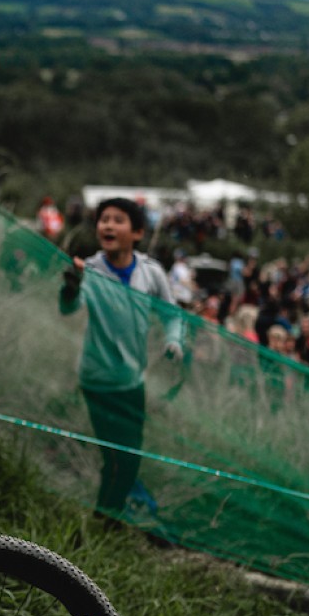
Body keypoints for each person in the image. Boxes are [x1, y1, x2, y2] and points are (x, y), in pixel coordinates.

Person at [58, 197, 183, 521]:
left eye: (118, 220)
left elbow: (173, 315)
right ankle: (104, 523)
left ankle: (105, 521)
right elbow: (69, 309)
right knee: (117, 459)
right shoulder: (90, 269)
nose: (108, 225)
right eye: (103, 219)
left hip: (132, 381)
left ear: (137, 232)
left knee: (129, 460)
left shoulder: (150, 273)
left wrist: (173, 340)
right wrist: (71, 289)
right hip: (97, 380)